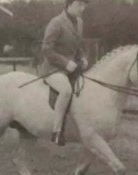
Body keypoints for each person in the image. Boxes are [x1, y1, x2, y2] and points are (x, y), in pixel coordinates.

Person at [41, 0, 89, 146]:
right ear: (69, 4)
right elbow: (46, 49)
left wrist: (83, 58)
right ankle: (56, 131)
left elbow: (78, 46)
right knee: (66, 90)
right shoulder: (56, 22)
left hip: (72, 69)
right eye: (79, 4)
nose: (82, 8)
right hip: (53, 69)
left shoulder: (79, 22)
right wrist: (65, 63)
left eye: (84, 5)